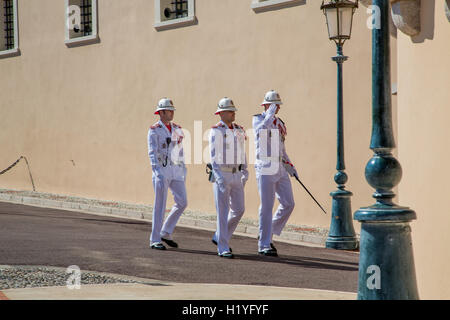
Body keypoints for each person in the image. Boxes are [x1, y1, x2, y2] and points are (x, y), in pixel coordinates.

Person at [252, 90, 297, 256]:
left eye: (277, 106)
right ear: (265, 105)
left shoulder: (280, 123)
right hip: (265, 165)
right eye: (273, 105)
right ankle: (264, 244)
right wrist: (269, 113)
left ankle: (267, 233)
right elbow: (260, 131)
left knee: (288, 203)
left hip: (279, 165)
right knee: (267, 205)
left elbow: (282, 148)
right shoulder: (258, 119)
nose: (276, 108)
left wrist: (290, 165)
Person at [209, 97, 249, 259]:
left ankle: (220, 235)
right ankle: (223, 247)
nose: (233, 114)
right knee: (223, 211)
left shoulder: (239, 130)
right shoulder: (217, 130)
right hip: (222, 174)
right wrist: (219, 178)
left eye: (234, 111)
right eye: (230, 111)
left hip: (236, 174)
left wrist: (245, 171)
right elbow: (213, 156)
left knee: (239, 209)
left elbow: (242, 152)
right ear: (222, 113)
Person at [147, 98, 187, 250]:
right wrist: (157, 171)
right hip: (162, 169)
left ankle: (166, 231)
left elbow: (180, 150)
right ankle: (155, 239)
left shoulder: (177, 128)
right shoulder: (154, 129)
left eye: (172, 110)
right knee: (160, 205)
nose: (172, 113)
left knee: (183, 201)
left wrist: (183, 169)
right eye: (169, 110)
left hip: (175, 169)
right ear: (161, 112)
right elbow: (152, 152)